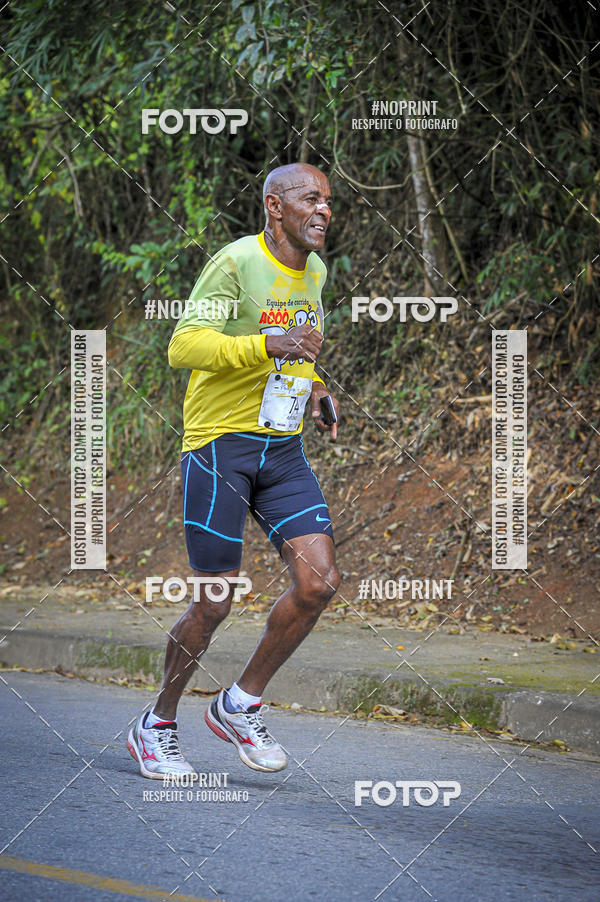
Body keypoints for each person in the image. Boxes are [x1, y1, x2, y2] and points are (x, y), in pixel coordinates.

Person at [127, 162, 340, 778]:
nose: (324, 210)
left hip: (282, 448)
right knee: (214, 602)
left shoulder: (316, 271)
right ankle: (157, 724)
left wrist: (316, 388)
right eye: (310, 198)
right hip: (220, 445)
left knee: (318, 583)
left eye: (328, 200)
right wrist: (265, 344)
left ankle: (239, 703)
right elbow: (184, 346)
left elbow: (300, 343)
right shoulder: (237, 263)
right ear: (275, 206)